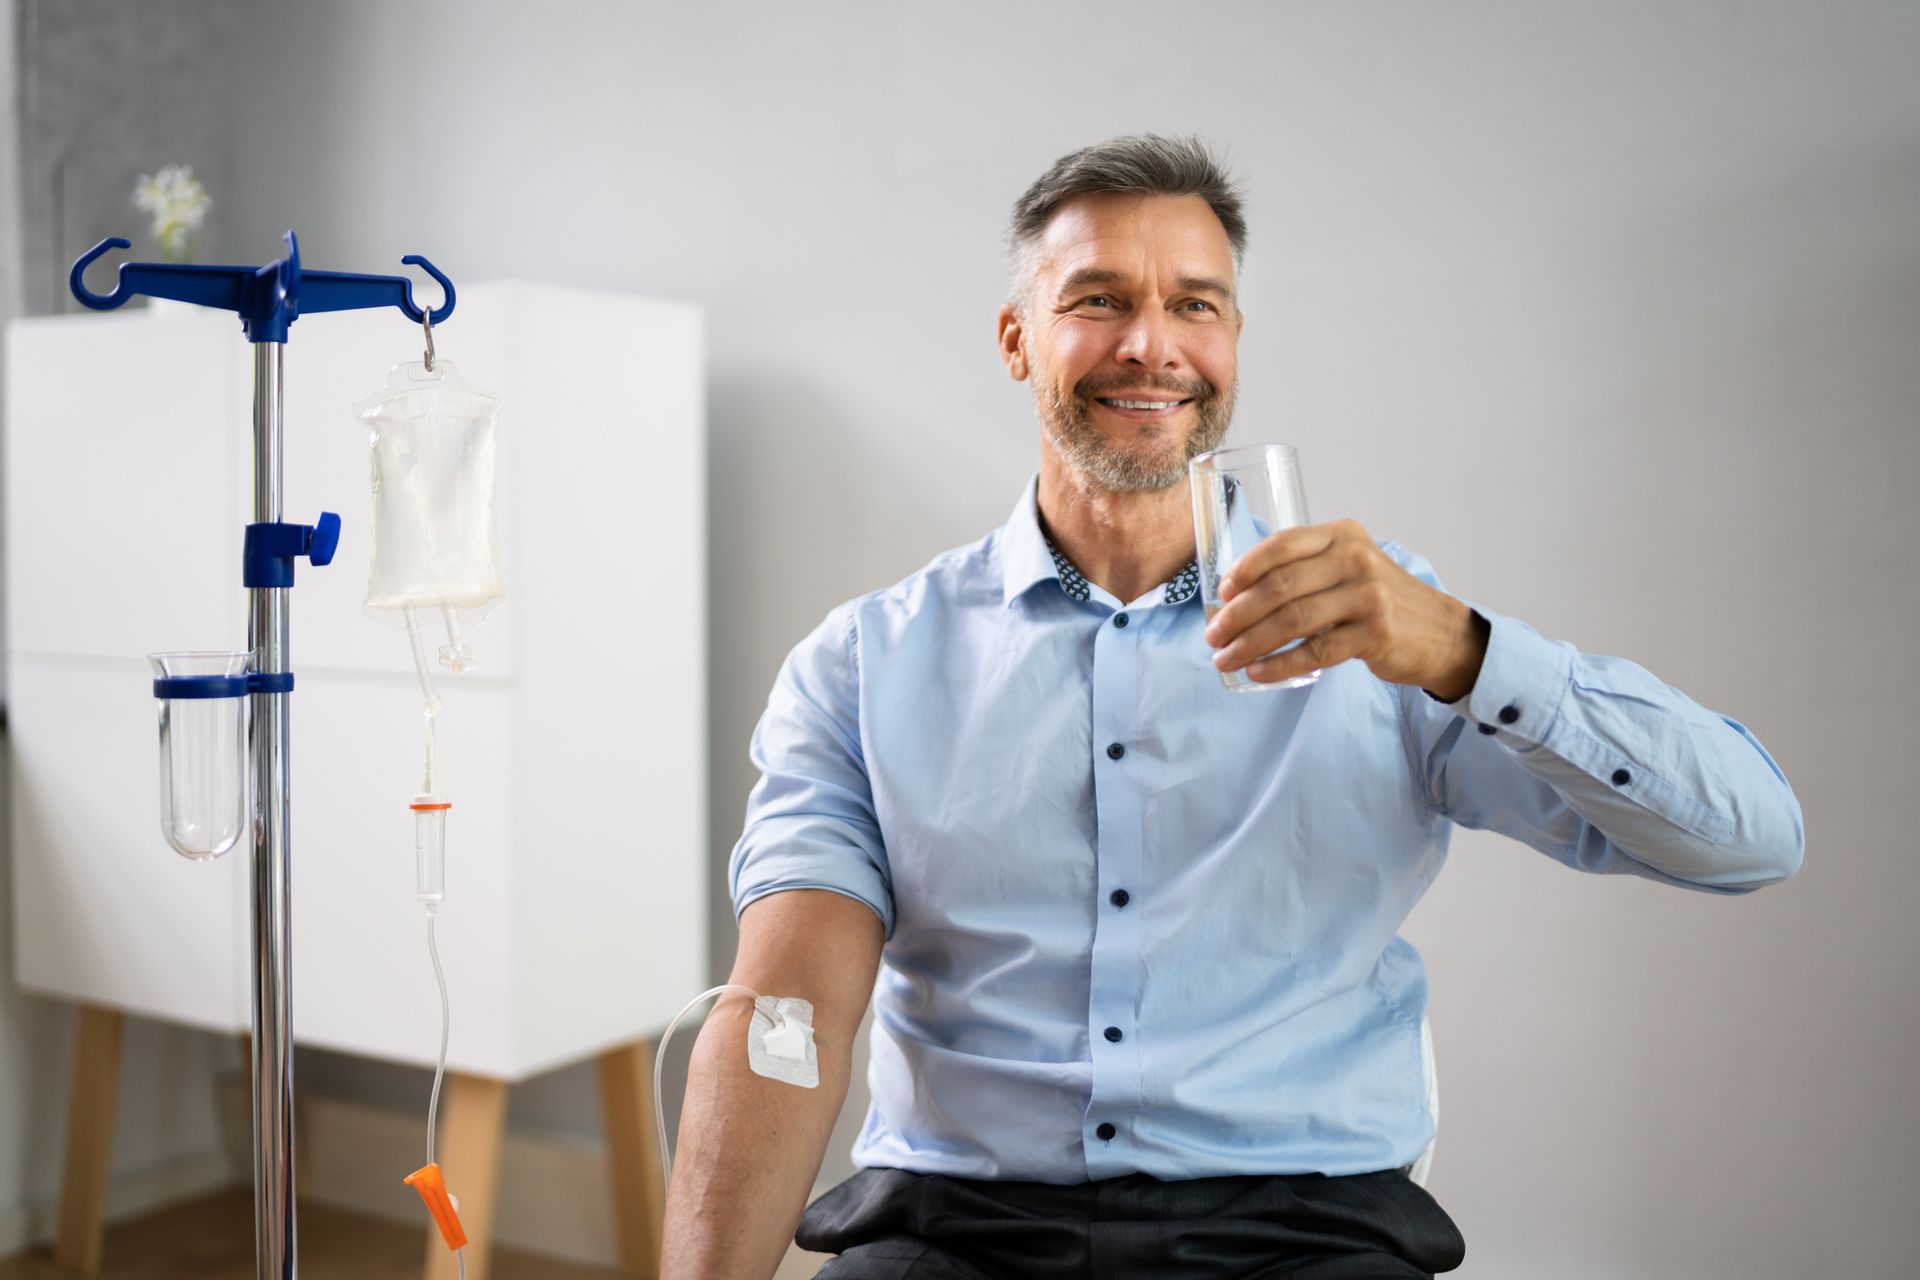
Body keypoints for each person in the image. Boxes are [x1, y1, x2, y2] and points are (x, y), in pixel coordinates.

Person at [659, 134, 1804, 1280]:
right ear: (1018, 339)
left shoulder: (1393, 632)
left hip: (1305, 1234)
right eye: (1097, 298)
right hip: (959, 1229)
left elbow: (1753, 840)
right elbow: (789, 1012)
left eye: (1193, 304)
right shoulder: (865, 662)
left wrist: (1465, 650)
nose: (1151, 344)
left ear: (1234, 341)